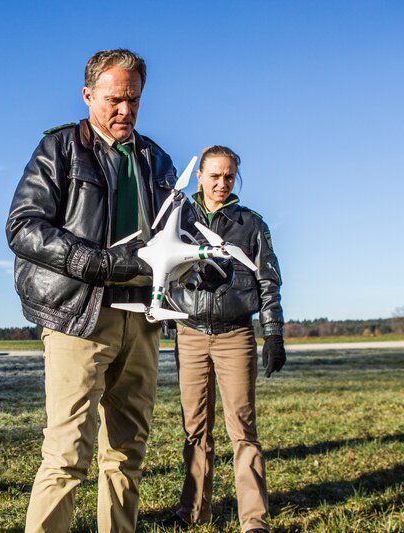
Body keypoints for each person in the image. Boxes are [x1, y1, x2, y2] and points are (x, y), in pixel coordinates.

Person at [6, 49, 181, 532]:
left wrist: (192, 263)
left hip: (142, 317)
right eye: (113, 99)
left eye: (133, 100)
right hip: (80, 316)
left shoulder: (157, 159)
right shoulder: (59, 149)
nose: (125, 110)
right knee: (67, 454)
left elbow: (173, 232)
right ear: (88, 95)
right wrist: (94, 263)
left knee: (128, 452)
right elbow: (23, 226)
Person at [164, 145, 285, 533]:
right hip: (190, 334)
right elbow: (160, 265)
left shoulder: (251, 225)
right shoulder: (178, 218)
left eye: (229, 176)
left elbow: (269, 282)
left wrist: (273, 334)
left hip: (235, 335)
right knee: (195, 429)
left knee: (243, 431)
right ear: (199, 176)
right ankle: (193, 512)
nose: (221, 183)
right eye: (214, 175)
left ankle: (254, 521)